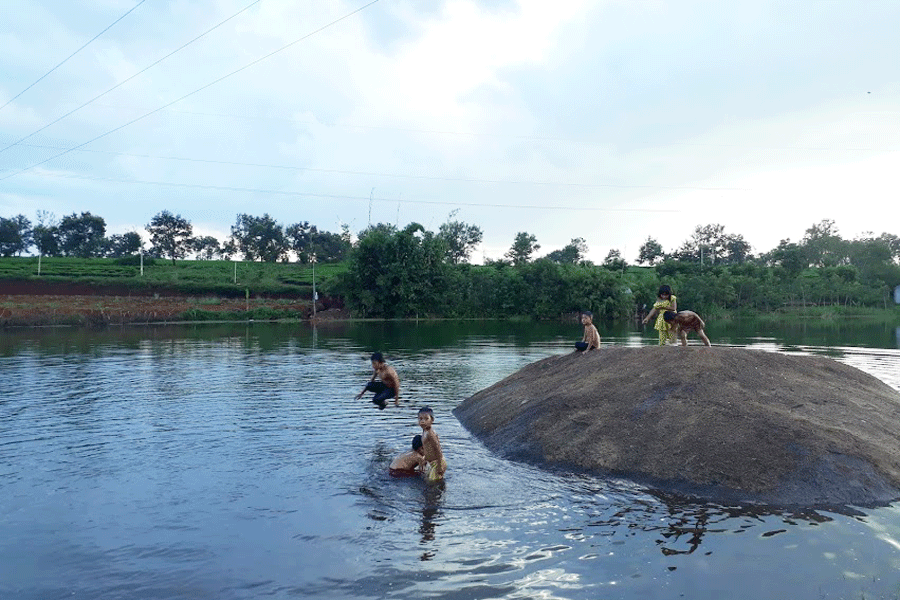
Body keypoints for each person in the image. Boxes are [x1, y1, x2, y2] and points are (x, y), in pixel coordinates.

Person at [417, 407, 446, 482]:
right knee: (428, 480)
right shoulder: (424, 432)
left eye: (426, 419)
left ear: (432, 420)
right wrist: (424, 459)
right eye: (420, 419)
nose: (423, 421)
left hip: (438, 463)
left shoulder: (431, 434)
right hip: (432, 463)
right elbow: (428, 449)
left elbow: (438, 450)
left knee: (433, 483)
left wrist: (439, 466)